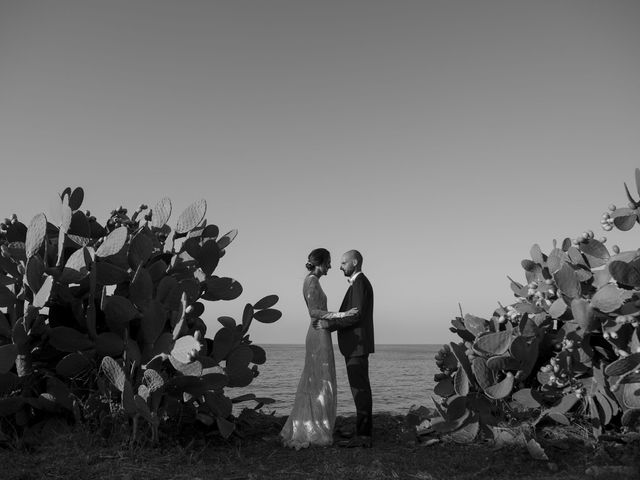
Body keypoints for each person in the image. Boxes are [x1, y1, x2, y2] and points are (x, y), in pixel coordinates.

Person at [280, 248, 358, 449]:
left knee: (318, 378)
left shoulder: (313, 280)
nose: (331, 266)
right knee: (319, 379)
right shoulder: (312, 281)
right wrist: (344, 314)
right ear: (320, 263)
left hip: (320, 332)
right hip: (317, 333)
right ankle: (313, 427)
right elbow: (314, 311)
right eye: (329, 262)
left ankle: (318, 423)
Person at [313, 249, 374, 448]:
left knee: (360, 390)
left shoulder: (360, 284)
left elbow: (355, 316)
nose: (340, 267)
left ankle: (364, 436)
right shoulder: (358, 284)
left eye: (343, 263)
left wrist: (329, 325)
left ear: (354, 262)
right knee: (359, 388)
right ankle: (362, 430)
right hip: (356, 345)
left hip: (357, 345)